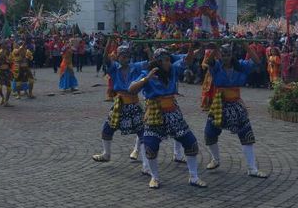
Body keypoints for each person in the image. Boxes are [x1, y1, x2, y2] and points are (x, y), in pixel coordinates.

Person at [128, 47, 207, 189]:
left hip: (172, 111)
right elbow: (131, 89)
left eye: (169, 60)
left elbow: (187, 60)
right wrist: (147, 79)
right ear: (158, 62)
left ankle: (194, 177)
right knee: (150, 147)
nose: (168, 63)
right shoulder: (147, 73)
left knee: (191, 143)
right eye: (165, 60)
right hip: (154, 113)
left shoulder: (173, 70)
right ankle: (154, 177)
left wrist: (192, 47)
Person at [202, 43, 269, 178]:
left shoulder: (241, 65)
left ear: (232, 55)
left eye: (228, 54)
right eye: (224, 54)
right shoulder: (216, 66)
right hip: (219, 104)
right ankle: (215, 159)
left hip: (236, 105)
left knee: (246, 134)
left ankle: (252, 168)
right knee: (210, 133)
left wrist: (246, 46)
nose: (226, 57)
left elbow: (257, 61)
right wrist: (215, 48)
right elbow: (208, 62)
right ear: (220, 54)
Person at [92, 44, 151, 175]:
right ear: (118, 57)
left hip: (134, 104)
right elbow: (105, 59)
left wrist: (149, 51)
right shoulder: (114, 68)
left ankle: (146, 165)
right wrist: (108, 43)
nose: (126, 58)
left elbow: (151, 64)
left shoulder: (135, 66)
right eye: (123, 56)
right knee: (107, 128)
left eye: (128, 56)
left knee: (143, 133)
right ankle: (106, 154)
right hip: (119, 104)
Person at [0, 40, 13, 107]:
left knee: (9, 88)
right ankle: (1, 96)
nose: (6, 45)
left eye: (6, 44)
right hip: (0, 71)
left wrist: (7, 58)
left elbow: (10, 61)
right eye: (5, 44)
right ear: (1, 45)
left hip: (7, 71)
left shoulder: (8, 52)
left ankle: (6, 101)